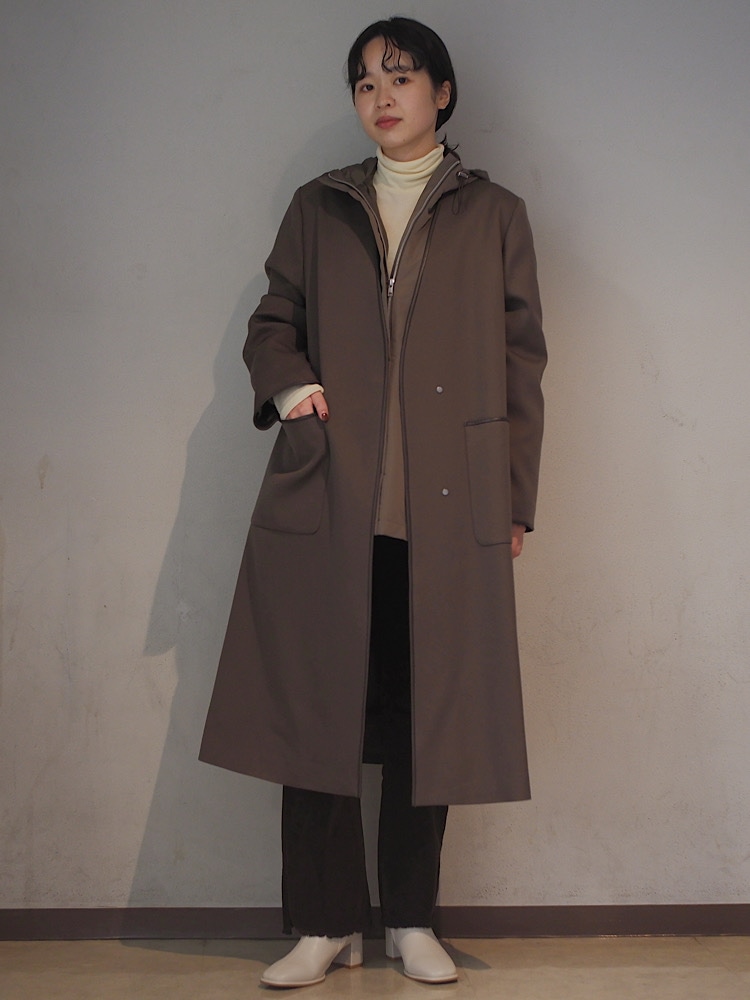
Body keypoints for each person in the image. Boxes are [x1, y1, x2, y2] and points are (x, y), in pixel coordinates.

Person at [200, 15, 546, 989]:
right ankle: (322, 924)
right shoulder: (320, 207)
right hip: (331, 501)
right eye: (364, 82)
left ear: (442, 91)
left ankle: (410, 920)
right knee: (315, 717)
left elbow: (522, 364)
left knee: (427, 720)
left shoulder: (495, 214)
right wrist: (290, 390)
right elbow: (273, 321)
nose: (382, 96)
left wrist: (513, 497)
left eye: (400, 76)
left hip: (443, 512)